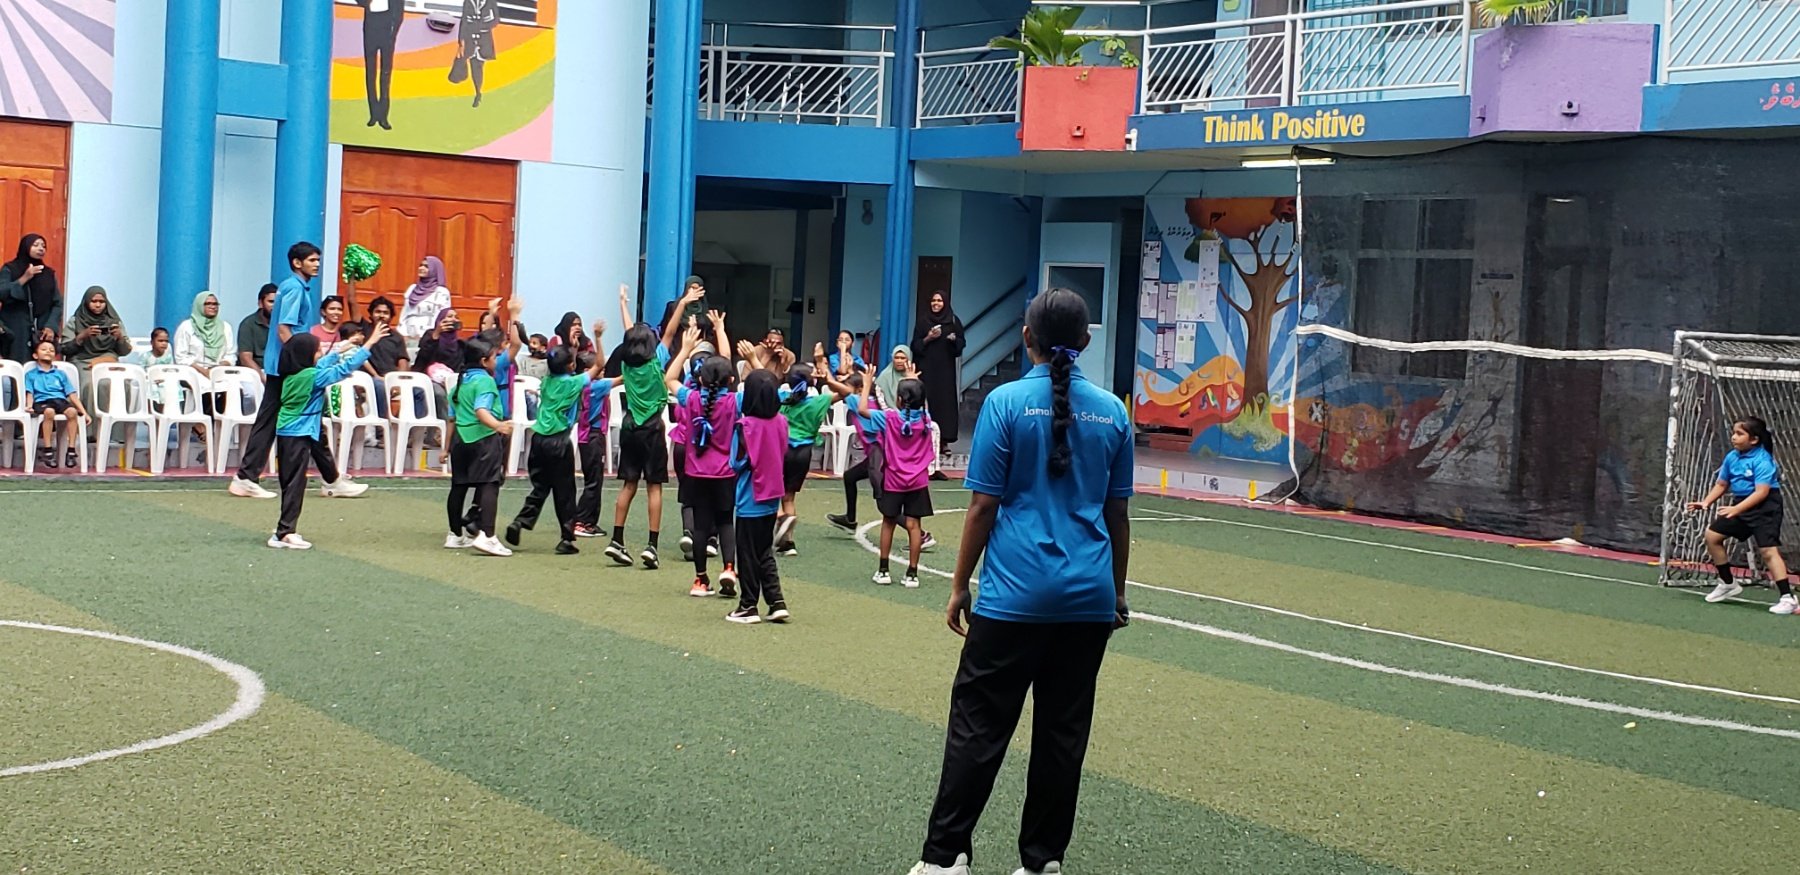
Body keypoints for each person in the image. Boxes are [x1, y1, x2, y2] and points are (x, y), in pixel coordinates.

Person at [907, 288, 1133, 875]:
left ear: (1025, 337)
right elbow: (1117, 515)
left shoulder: (1006, 404)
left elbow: (984, 507)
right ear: (1085, 343)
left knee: (978, 728)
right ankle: (1042, 861)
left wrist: (959, 586)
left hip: (1012, 599)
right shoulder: (1113, 411)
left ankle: (944, 858)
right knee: (1062, 735)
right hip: (1088, 600)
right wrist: (1119, 591)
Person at [267, 330, 381, 550]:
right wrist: (370, 343)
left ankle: (285, 527)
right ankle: (284, 532)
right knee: (294, 485)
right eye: (316, 350)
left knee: (292, 482)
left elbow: (326, 362)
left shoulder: (298, 373)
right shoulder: (312, 377)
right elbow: (343, 369)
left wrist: (346, 345)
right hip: (297, 433)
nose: (320, 353)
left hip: (291, 432)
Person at [230, 242, 323, 500]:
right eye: (312, 260)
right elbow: (285, 330)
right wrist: (302, 362)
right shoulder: (294, 288)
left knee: (274, 418)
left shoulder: (294, 287)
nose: (316, 264)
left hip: (281, 364)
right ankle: (246, 476)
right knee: (287, 417)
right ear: (297, 262)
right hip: (287, 366)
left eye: (317, 260)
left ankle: (247, 476)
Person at [507, 330, 611, 556]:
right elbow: (599, 364)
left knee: (540, 486)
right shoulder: (572, 384)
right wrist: (599, 337)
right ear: (572, 367)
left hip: (538, 440)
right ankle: (566, 538)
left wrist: (571, 347)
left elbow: (561, 361)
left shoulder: (546, 381)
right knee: (565, 491)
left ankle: (521, 520)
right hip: (558, 442)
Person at [606, 283, 685, 569]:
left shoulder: (627, 366)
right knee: (654, 487)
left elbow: (630, 332)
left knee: (628, 484)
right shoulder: (657, 363)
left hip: (629, 427)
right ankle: (651, 546)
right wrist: (682, 304)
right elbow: (670, 332)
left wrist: (623, 303)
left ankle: (617, 539)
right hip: (652, 430)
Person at [1688, 415, 1796, 614]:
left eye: (1739, 434)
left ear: (1754, 439)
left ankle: (1787, 598)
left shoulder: (1763, 460)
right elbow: (1722, 484)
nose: (1734, 437)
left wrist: (1736, 510)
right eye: (1733, 433)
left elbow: (1761, 492)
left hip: (1765, 507)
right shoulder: (1732, 457)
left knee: (1768, 551)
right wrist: (1705, 502)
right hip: (1740, 505)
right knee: (1712, 536)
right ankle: (1728, 583)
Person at [667, 326, 742, 598]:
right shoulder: (735, 401)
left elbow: (671, 378)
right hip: (724, 473)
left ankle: (700, 580)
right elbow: (753, 380)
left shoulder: (693, 398)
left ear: (699, 378)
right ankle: (729, 568)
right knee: (725, 523)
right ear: (731, 379)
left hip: (696, 472)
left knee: (700, 526)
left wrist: (685, 350)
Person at [850, 369, 934, 588]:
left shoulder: (889, 418)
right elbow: (919, 404)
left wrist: (867, 383)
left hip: (894, 479)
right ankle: (912, 574)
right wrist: (914, 380)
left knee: (889, 522)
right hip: (918, 481)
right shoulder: (925, 420)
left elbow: (862, 409)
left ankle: (884, 570)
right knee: (914, 525)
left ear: (898, 399)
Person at [727, 367, 791, 624]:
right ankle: (776, 601)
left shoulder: (744, 426)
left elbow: (736, 462)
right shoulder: (782, 422)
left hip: (749, 498)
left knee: (747, 554)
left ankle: (748, 605)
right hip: (772, 497)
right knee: (765, 552)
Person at [445, 335, 515, 557]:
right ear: (485, 361)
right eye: (495, 357)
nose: (497, 360)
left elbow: (451, 419)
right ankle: (488, 536)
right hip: (482, 439)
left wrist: (446, 448)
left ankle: (455, 535)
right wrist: (499, 426)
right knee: (489, 485)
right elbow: (481, 411)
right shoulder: (485, 381)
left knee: (459, 487)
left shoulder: (460, 382)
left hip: (460, 440)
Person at [60, 286, 133, 408]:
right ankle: (90, 425)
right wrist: (83, 336)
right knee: (90, 385)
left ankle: (114, 426)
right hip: (83, 361)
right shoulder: (76, 321)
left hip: (108, 361)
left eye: (101, 302)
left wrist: (119, 337)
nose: (98, 305)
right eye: (94, 301)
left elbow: (125, 351)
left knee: (123, 384)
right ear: (87, 302)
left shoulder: (114, 321)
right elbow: (64, 348)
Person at [21, 338, 85, 469]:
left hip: (60, 401)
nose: (48, 352)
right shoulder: (31, 374)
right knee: (49, 412)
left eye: (51, 350)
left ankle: (71, 451)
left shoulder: (60, 374)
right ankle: (48, 450)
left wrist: (84, 412)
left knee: (72, 412)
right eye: (44, 349)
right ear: (35, 355)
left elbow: (71, 394)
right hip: (42, 401)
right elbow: (30, 392)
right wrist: (29, 405)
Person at [912, 291, 966, 445]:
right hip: (926, 371)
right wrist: (928, 338)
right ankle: (923, 439)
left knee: (944, 404)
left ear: (946, 303)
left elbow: (961, 346)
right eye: (933, 300)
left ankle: (943, 441)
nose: (936, 304)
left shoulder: (954, 322)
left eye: (940, 301)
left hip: (945, 372)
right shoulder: (923, 322)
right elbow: (915, 346)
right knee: (926, 402)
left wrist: (954, 340)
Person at [1, 234, 61, 362]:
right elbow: (2, 293)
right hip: (15, 328)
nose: (41, 249)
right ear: (25, 247)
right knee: (16, 367)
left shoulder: (49, 274)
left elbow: (57, 303)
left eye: (43, 246)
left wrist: (51, 326)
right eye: (36, 245)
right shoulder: (10, 269)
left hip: (41, 330)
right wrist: (24, 278)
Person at [356, 0, 402, 130]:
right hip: (371, 25)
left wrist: (393, 33)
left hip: (387, 26)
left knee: (385, 74)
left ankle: (383, 116)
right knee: (370, 72)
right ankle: (373, 114)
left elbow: (399, 12)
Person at [175, 291, 238, 379]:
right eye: (208, 303)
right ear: (199, 305)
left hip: (219, 371)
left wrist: (219, 367)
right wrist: (204, 371)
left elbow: (230, 355)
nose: (213, 307)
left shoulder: (225, 327)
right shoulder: (186, 327)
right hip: (193, 372)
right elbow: (181, 357)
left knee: (235, 386)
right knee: (202, 386)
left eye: (215, 304)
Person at [459, 0, 500, 107]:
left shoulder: (490, 2)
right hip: (470, 39)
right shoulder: (468, 2)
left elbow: (496, 20)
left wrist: (482, 25)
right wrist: (461, 41)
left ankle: (478, 92)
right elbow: (463, 21)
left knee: (479, 65)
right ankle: (477, 92)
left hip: (484, 39)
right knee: (473, 65)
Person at [399, 256, 451, 340]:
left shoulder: (441, 292)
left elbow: (442, 316)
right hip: (409, 334)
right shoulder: (412, 288)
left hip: (429, 336)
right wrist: (402, 333)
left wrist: (434, 334)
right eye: (421, 265)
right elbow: (405, 313)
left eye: (426, 266)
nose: (421, 268)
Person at [238, 284, 277, 370]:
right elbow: (246, 358)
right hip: (254, 372)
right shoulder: (248, 324)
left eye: (278, 302)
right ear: (260, 303)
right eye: (271, 302)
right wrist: (263, 378)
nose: (275, 306)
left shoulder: (284, 325)